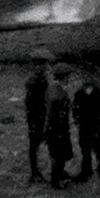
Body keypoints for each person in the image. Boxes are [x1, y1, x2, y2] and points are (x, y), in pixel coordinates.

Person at [72, 73, 100, 185]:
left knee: (99, 152)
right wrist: (78, 121)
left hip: (95, 127)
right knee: (86, 151)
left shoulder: (99, 94)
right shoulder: (80, 94)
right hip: (86, 127)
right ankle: (87, 172)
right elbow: (75, 110)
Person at [23, 50, 53, 183]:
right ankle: (35, 172)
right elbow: (34, 102)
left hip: (37, 116)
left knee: (36, 144)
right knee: (37, 144)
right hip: (38, 116)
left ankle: (35, 171)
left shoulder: (36, 79)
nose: (44, 67)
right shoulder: (37, 81)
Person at [45, 64, 75, 188]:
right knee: (59, 155)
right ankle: (56, 180)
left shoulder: (52, 88)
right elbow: (58, 111)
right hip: (58, 128)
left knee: (57, 153)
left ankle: (59, 174)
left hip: (55, 127)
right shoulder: (59, 92)